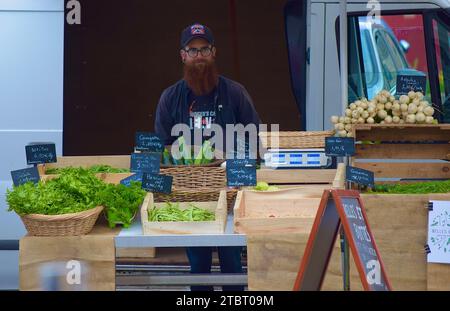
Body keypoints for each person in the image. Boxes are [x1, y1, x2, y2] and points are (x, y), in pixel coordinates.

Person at [154, 23, 260, 291]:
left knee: (232, 262)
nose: (199, 55)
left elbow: (254, 137)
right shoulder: (170, 98)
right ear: (183, 55)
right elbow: (162, 147)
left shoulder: (235, 92)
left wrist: (236, 161)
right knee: (198, 264)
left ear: (214, 52)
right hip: (192, 196)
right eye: (193, 50)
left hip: (230, 190)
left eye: (204, 49)